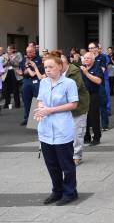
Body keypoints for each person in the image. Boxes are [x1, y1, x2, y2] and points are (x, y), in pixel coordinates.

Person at [34, 52, 79, 205]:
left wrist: (50, 110)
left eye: (51, 67)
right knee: (52, 165)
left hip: (62, 129)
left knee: (66, 165)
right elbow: (40, 100)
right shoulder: (44, 82)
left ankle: (70, 192)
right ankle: (57, 191)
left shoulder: (69, 83)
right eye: (46, 67)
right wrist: (40, 110)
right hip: (45, 129)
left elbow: (73, 104)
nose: (47, 70)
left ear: (60, 67)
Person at [60, 53, 90, 166]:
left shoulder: (74, 71)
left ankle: (77, 155)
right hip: (64, 107)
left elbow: (73, 89)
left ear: (65, 63)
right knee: (65, 132)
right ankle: (66, 154)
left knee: (77, 132)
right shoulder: (56, 73)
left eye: (59, 64)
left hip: (79, 106)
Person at [17, 45, 45, 126]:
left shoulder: (39, 59)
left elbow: (35, 72)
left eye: (30, 52)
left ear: (34, 52)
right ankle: (27, 118)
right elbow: (23, 71)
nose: (28, 53)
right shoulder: (24, 60)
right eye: (27, 52)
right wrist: (24, 72)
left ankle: (36, 119)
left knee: (36, 100)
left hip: (36, 81)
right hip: (26, 81)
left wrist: (28, 70)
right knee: (26, 100)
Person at [81, 52, 103, 146]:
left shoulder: (97, 67)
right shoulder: (81, 68)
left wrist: (86, 73)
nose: (86, 60)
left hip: (94, 94)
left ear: (93, 59)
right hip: (83, 95)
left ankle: (97, 137)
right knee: (84, 116)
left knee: (94, 116)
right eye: (85, 58)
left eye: (88, 58)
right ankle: (86, 136)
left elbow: (98, 81)